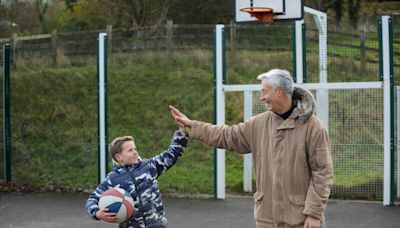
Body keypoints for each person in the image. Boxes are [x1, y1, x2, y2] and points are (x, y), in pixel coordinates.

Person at [170, 69, 333, 228]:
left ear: (280, 91)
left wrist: (313, 213)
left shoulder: (313, 127)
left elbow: (322, 172)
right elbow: (228, 135)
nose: (262, 98)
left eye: (264, 91)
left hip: (301, 221)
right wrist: (194, 127)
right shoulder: (258, 124)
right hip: (267, 221)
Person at [85, 120, 188, 228]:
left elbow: (172, 154)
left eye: (135, 149)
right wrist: (96, 213)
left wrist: (181, 132)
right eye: (130, 150)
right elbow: (92, 199)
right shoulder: (112, 179)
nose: (135, 152)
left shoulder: (148, 166)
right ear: (118, 157)